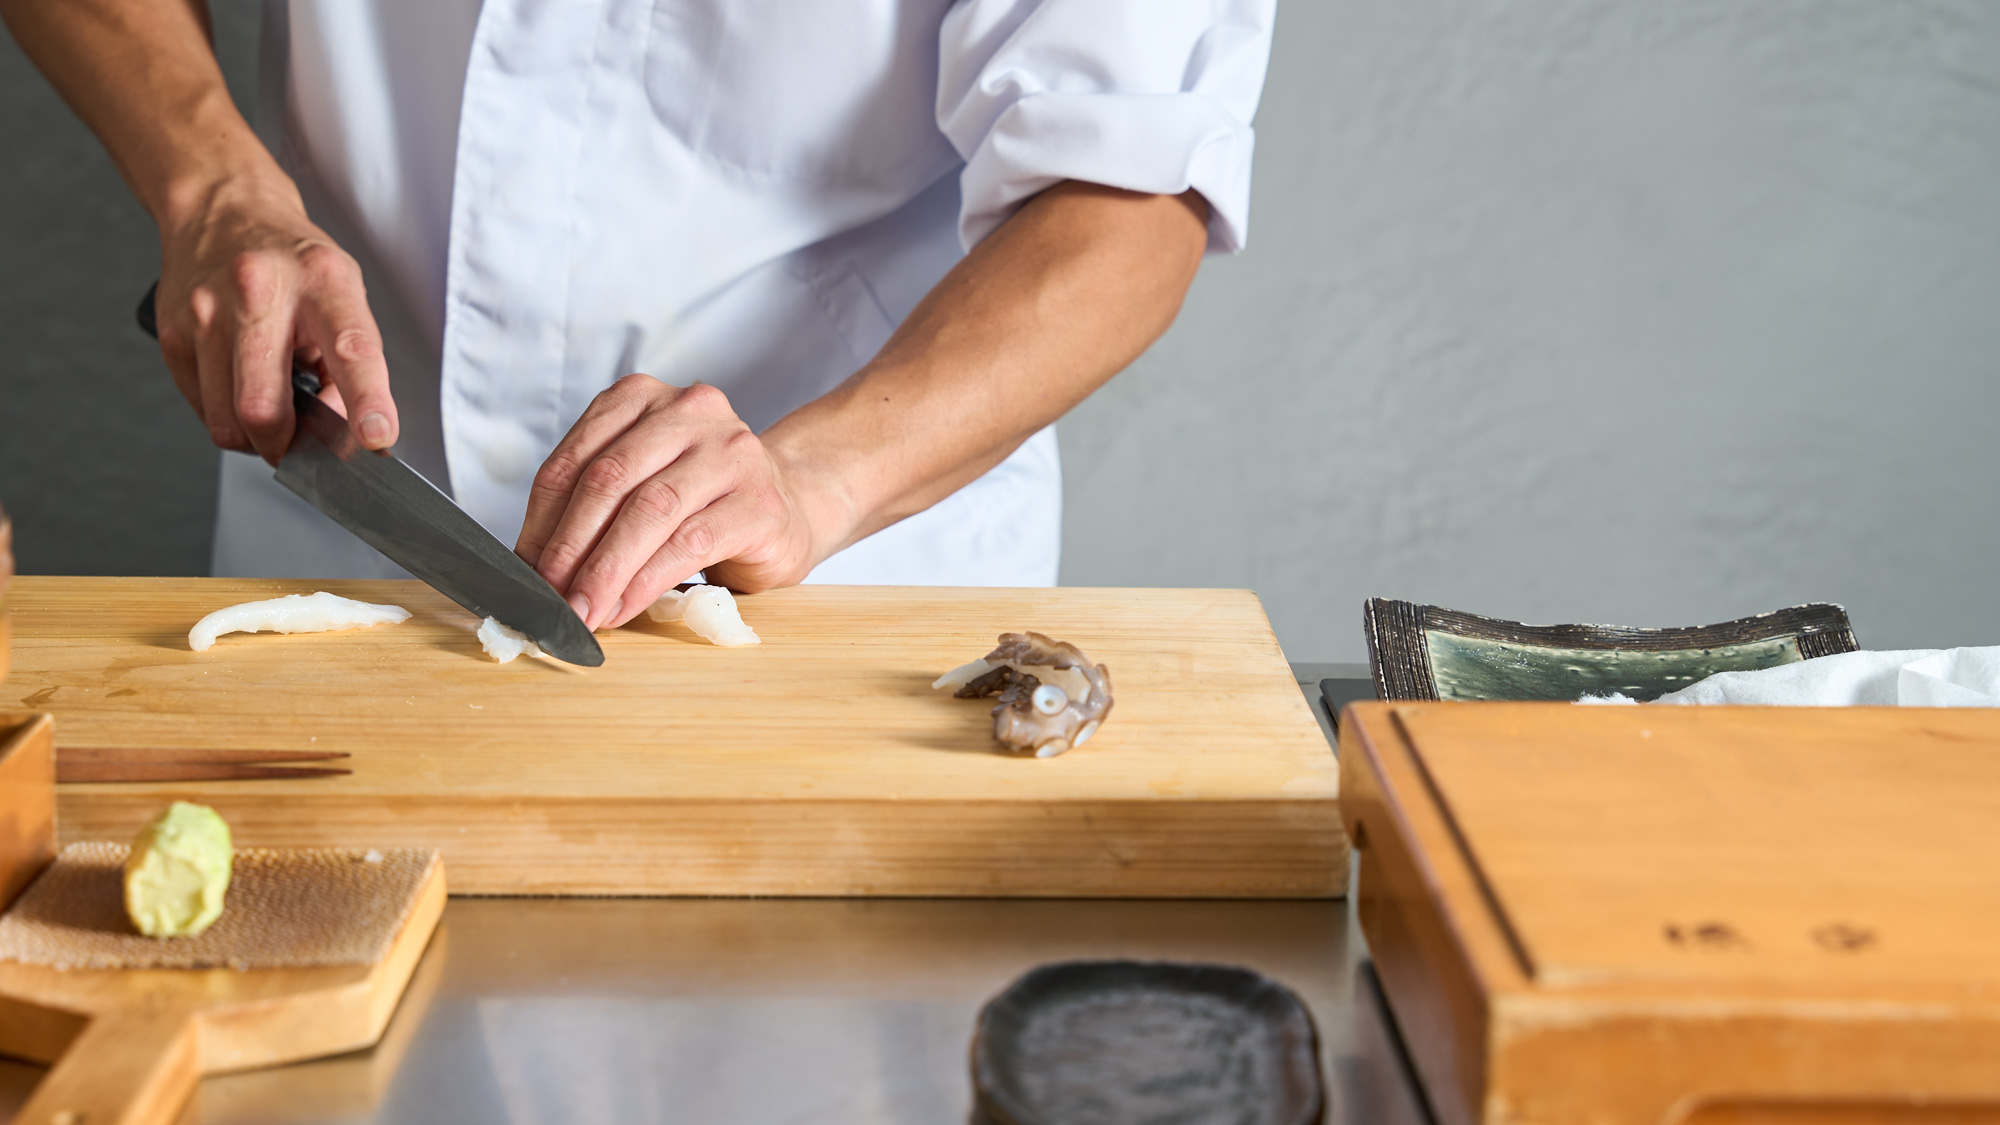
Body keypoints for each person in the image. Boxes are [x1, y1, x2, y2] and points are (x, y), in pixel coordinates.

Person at [4, 0, 1274, 630]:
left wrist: (818, 478)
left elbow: (1122, 194)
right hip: (349, 551)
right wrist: (211, 182)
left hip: (833, 592)